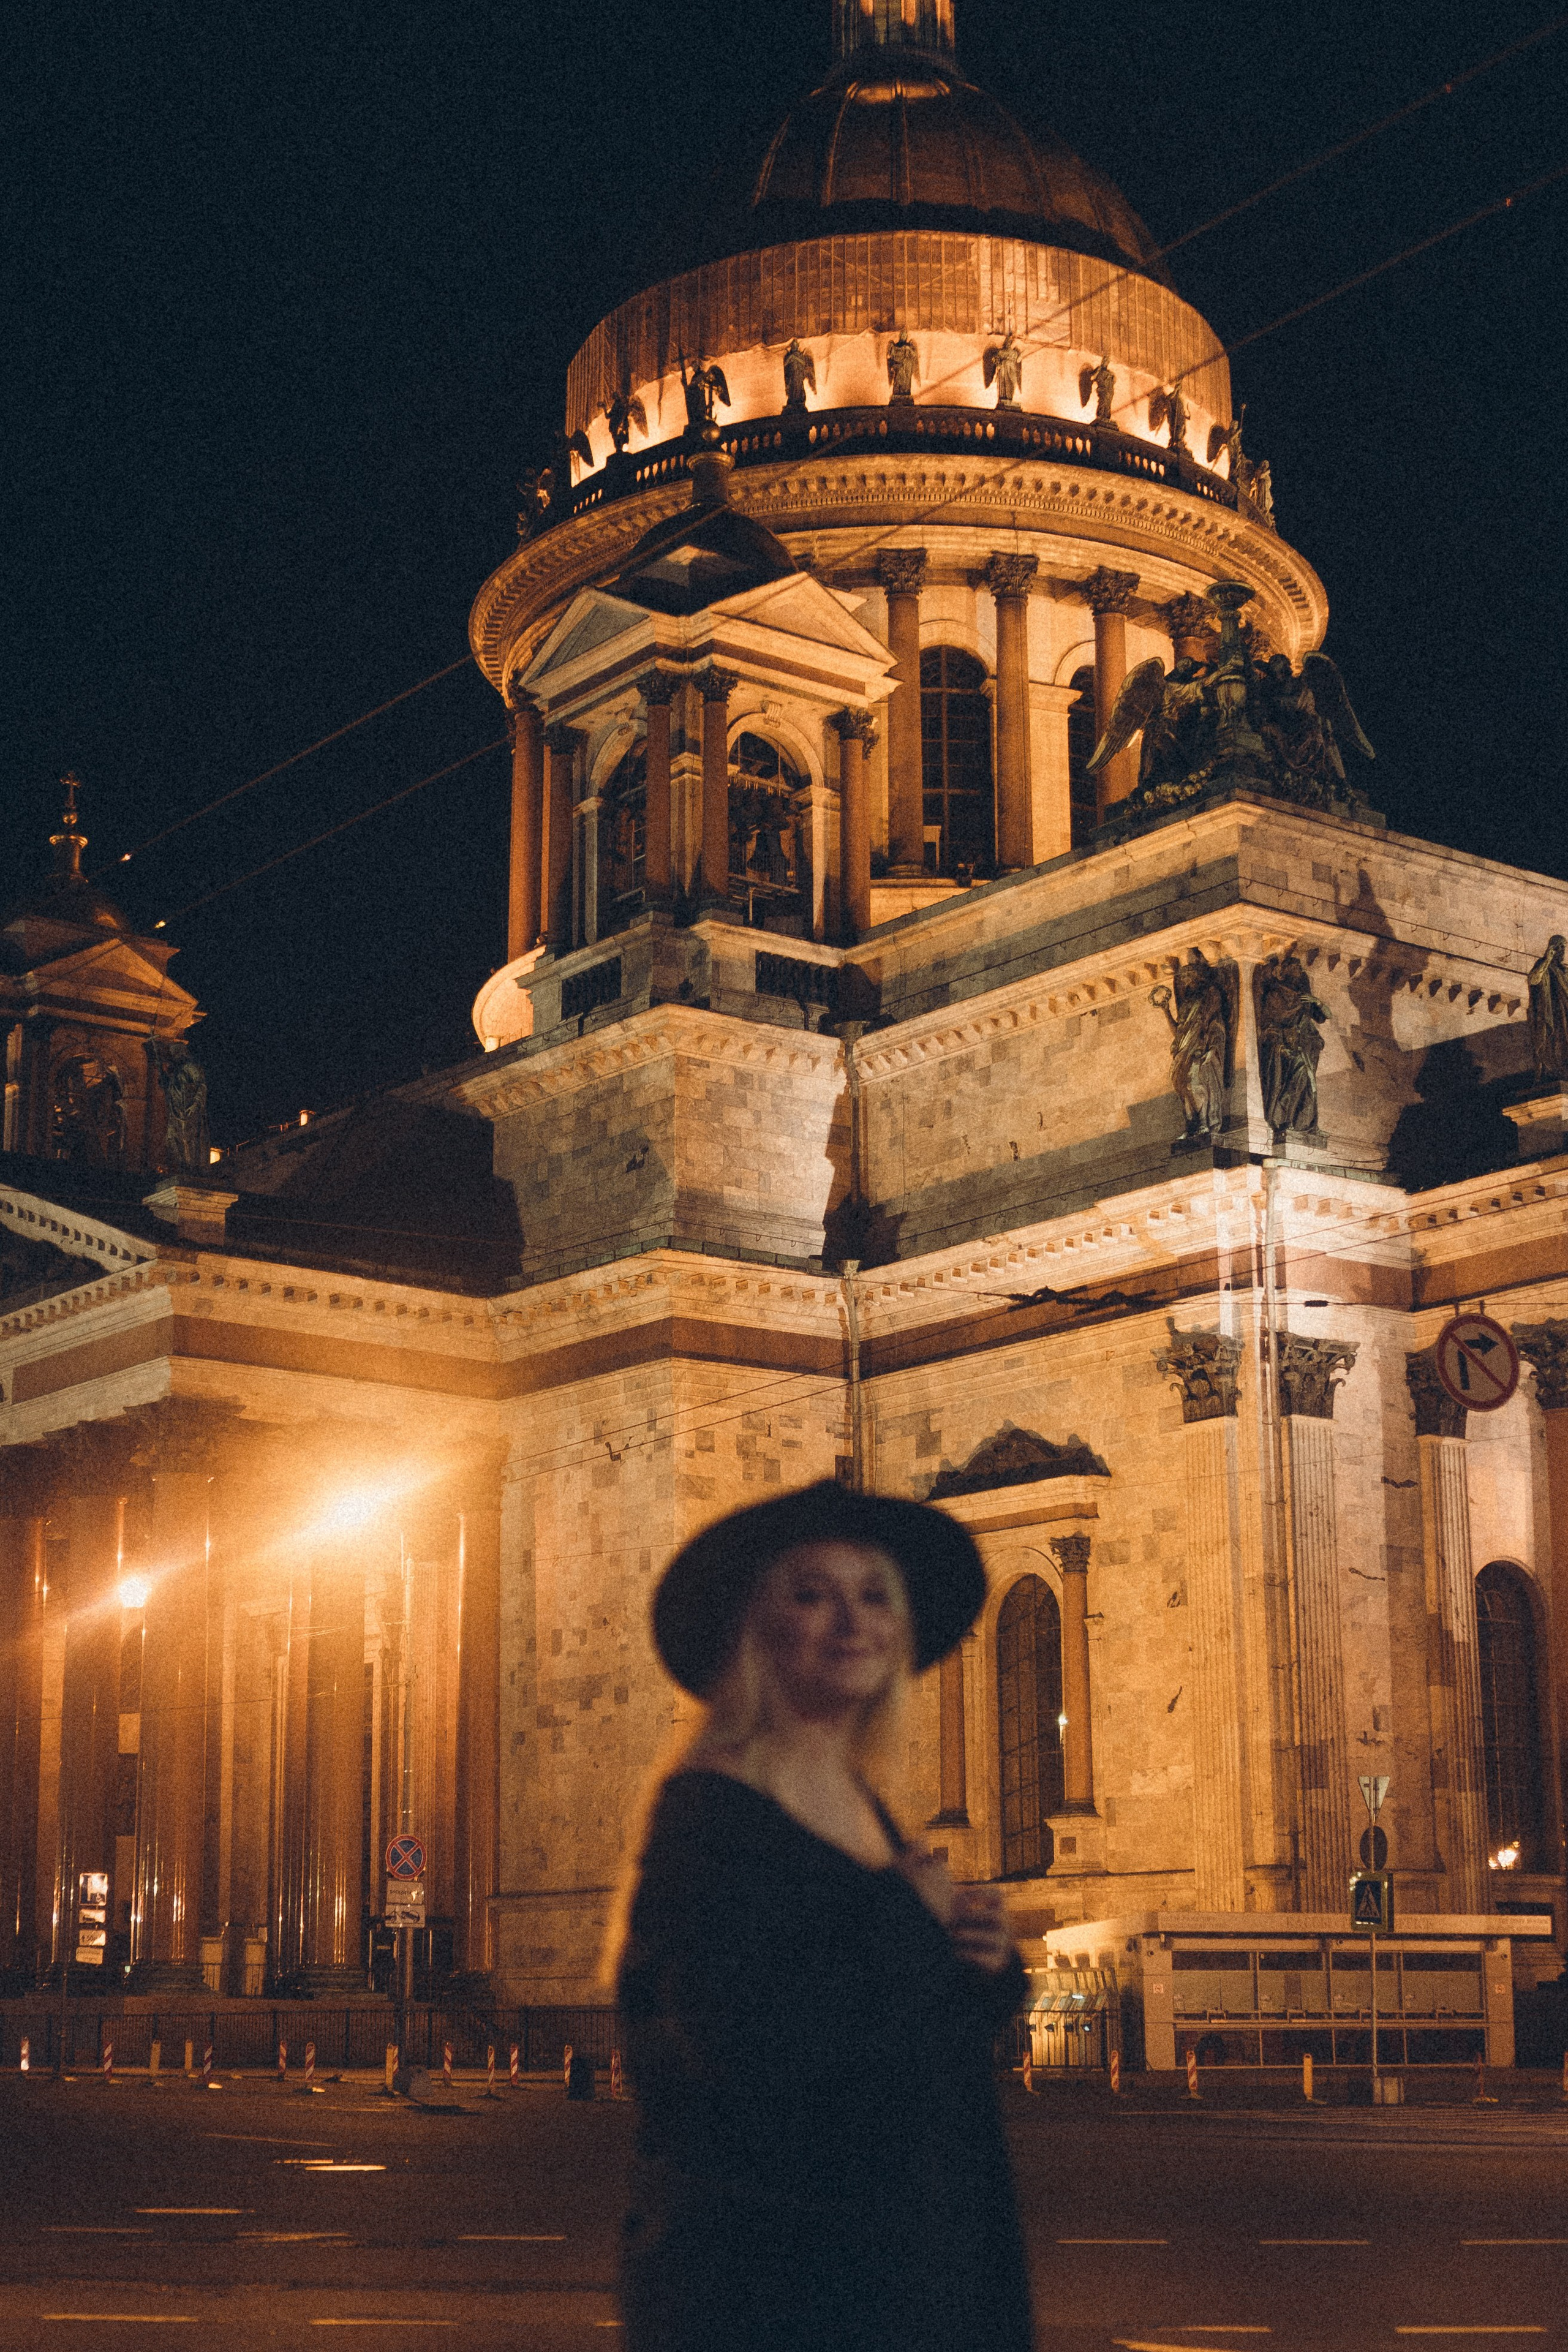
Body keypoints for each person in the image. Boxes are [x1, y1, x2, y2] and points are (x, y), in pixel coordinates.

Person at [607, 1479, 1031, 2352]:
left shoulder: (857, 1798)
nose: (853, 1623)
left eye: (875, 1596)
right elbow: (734, 2048)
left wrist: (984, 1968)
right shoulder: (711, 1807)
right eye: (812, 1594)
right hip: (784, 2279)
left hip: (908, 2259)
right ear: (752, 1627)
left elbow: (894, 2029)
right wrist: (898, 1925)